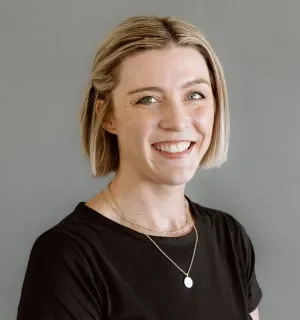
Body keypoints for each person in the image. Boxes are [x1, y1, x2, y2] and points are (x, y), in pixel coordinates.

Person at [17, 15, 263, 320]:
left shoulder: (229, 237)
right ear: (107, 116)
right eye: (148, 99)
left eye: (194, 95)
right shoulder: (68, 257)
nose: (177, 121)